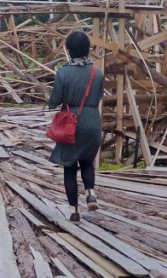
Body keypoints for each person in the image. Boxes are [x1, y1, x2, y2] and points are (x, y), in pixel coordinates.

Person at [48, 30, 103, 222]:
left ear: (69, 50)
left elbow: (55, 99)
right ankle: (91, 193)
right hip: (94, 121)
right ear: (88, 49)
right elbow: (98, 95)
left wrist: (50, 103)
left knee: (69, 166)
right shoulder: (97, 72)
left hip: (72, 121)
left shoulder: (63, 72)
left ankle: (73, 210)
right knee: (87, 161)